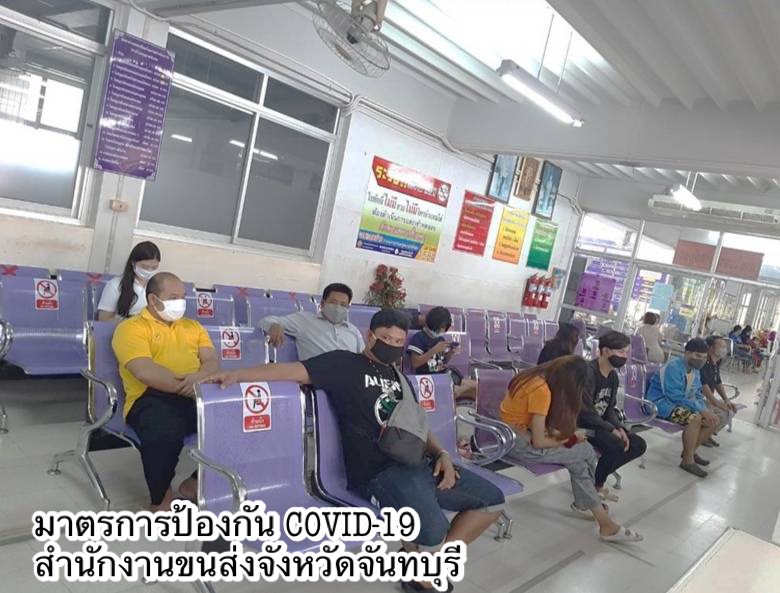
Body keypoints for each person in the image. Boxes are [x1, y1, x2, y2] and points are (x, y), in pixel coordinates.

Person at [206, 309, 504, 591]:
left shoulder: (399, 377)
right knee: (432, 531)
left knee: (491, 501)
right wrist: (238, 374)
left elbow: (417, 426)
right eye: (386, 338)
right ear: (369, 336)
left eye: (399, 342)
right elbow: (289, 371)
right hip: (378, 471)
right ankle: (422, 569)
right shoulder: (344, 364)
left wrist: (443, 455)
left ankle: (423, 563)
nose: (392, 346)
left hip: (418, 462)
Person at [499, 356, 642, 543]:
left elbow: (533, 425)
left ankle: (597, 513)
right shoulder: (541, 391)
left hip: (512, 434)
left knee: (580, 458)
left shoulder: (532, 376)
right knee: (585, 451)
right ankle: (593, 505)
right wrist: (570, 438)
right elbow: (539, 442)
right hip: (516, 442)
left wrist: (564, 436)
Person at [112, 272, 219, 512]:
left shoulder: (194, 327)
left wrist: (199, 380)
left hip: (197, 392)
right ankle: (160, 498)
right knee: (163, 432)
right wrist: (191, 386)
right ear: (153, 299)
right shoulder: (131, 328)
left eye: (183, 297)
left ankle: (195, 481)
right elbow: (145, 371)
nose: (180, 303)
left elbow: (211, 361)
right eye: (173, 297)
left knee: (238, 423)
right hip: (150, 398)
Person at [581, 331, 647, 501]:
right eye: (620, 352)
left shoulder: (612, 376)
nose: (624, 356)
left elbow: (609, 408)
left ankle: (594, 478)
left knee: (638, 444)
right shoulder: (588, 373)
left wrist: (619, 427)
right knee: (616, 444)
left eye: (626, 352)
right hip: (582, 425)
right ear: (605, 351)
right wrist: (611, 429)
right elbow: (585, 412)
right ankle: (597, 485)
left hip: (601, 424)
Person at [645, 338, 720, 478]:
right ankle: (687, 461)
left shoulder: (695, 370)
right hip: (660, 404)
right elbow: (674, 396)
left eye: (704, 357)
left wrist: (704, 409)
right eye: (698, 356)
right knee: (695, 419)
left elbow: (697, 394)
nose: (701, 360)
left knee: (712, 420)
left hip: (679, 404)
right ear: (687, 353)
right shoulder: (673, 367)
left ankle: (690, 452)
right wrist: (700, 410)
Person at [260, 283, 365, 360]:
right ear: (322, 304)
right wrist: (274, 325)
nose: (338, 308)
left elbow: (364, 358)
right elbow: (265, 320)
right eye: (333, 302)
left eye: (343, 305)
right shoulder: (305, 320)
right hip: (319, 379)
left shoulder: (353, 331)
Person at [407, 306, 476, 400]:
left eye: (444, 328)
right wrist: (434, 350)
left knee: (477, 386)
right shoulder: (419, 338)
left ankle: (457, 392)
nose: (442, 331)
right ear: (432, 324)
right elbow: (415, 363)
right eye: (441, 328)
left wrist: (450, 353)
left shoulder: (440, 339)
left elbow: (442, 361)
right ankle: (454, 392)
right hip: (430, 378)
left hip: (445, 374)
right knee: (466, 390)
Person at [97, 241, 161, 321]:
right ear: (133, 263)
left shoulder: (159, 286)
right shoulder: (115, 285)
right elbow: (103, 319)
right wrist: (131, 321)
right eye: (145, 267)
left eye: (154, 267)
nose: (149, 271)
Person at [699, 336, 738, 447]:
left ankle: (707, 434)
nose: (724, 349)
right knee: (719, 414)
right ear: (711, 348)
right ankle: (701, 436)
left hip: (707, 398)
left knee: (729, 411)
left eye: (725, 346)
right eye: (721, 346)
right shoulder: (703, 362)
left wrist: (726, 400)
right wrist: (717, 403)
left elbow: (717, 381)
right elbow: (703, 385)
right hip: (699, 397)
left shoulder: (717, 362)